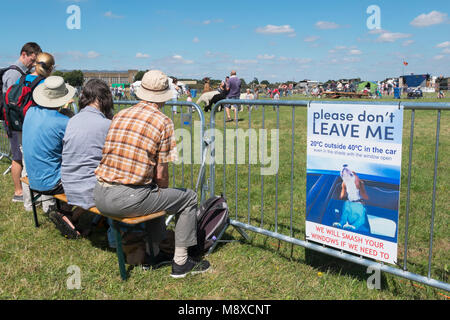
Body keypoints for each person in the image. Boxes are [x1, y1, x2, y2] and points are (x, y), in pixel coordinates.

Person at [94, 70, 210, 278]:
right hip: (125, 199)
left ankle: (157, 251)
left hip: (99, 193)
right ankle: (181, 262)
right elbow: (161, 173)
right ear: (164, 96)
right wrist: (162, 192)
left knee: (154, 192)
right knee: (188, 197)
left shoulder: (120, 114)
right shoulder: (162, 121)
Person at [22, 76, 82, 238]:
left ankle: (65, 214)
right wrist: (69, 116)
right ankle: (70, 216)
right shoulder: (64, 122)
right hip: (53, 182)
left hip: (33, 178)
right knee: (90, 182)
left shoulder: (30, 112)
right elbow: (78, 149)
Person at [15, 52, 56, 213]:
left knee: (27, 165)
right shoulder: (45, 83)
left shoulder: (22, 79)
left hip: (22, 126)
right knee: (46, 165)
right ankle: (47, 204)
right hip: (40, 127)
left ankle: (29, 204)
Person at [2, 42, 41, 204]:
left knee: (20, 155)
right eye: (31, 60)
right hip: (14, 121)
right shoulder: (14, 74)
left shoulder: (22, 72)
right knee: (18, 156)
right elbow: (12, 101)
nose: (33, 64)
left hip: (17, 121)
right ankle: (18, 191)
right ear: (23, 54)